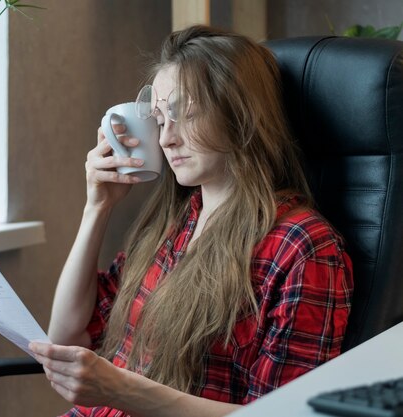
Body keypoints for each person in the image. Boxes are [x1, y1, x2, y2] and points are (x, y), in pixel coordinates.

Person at [29, 25, 353, 417]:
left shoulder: (302, 248)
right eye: (161, 120)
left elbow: (283, 414)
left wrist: (121, 389)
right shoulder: (177, 223)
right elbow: (67, 338)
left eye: (185, 114)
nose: (166, 139)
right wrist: (96, 208)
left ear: (241, 112)